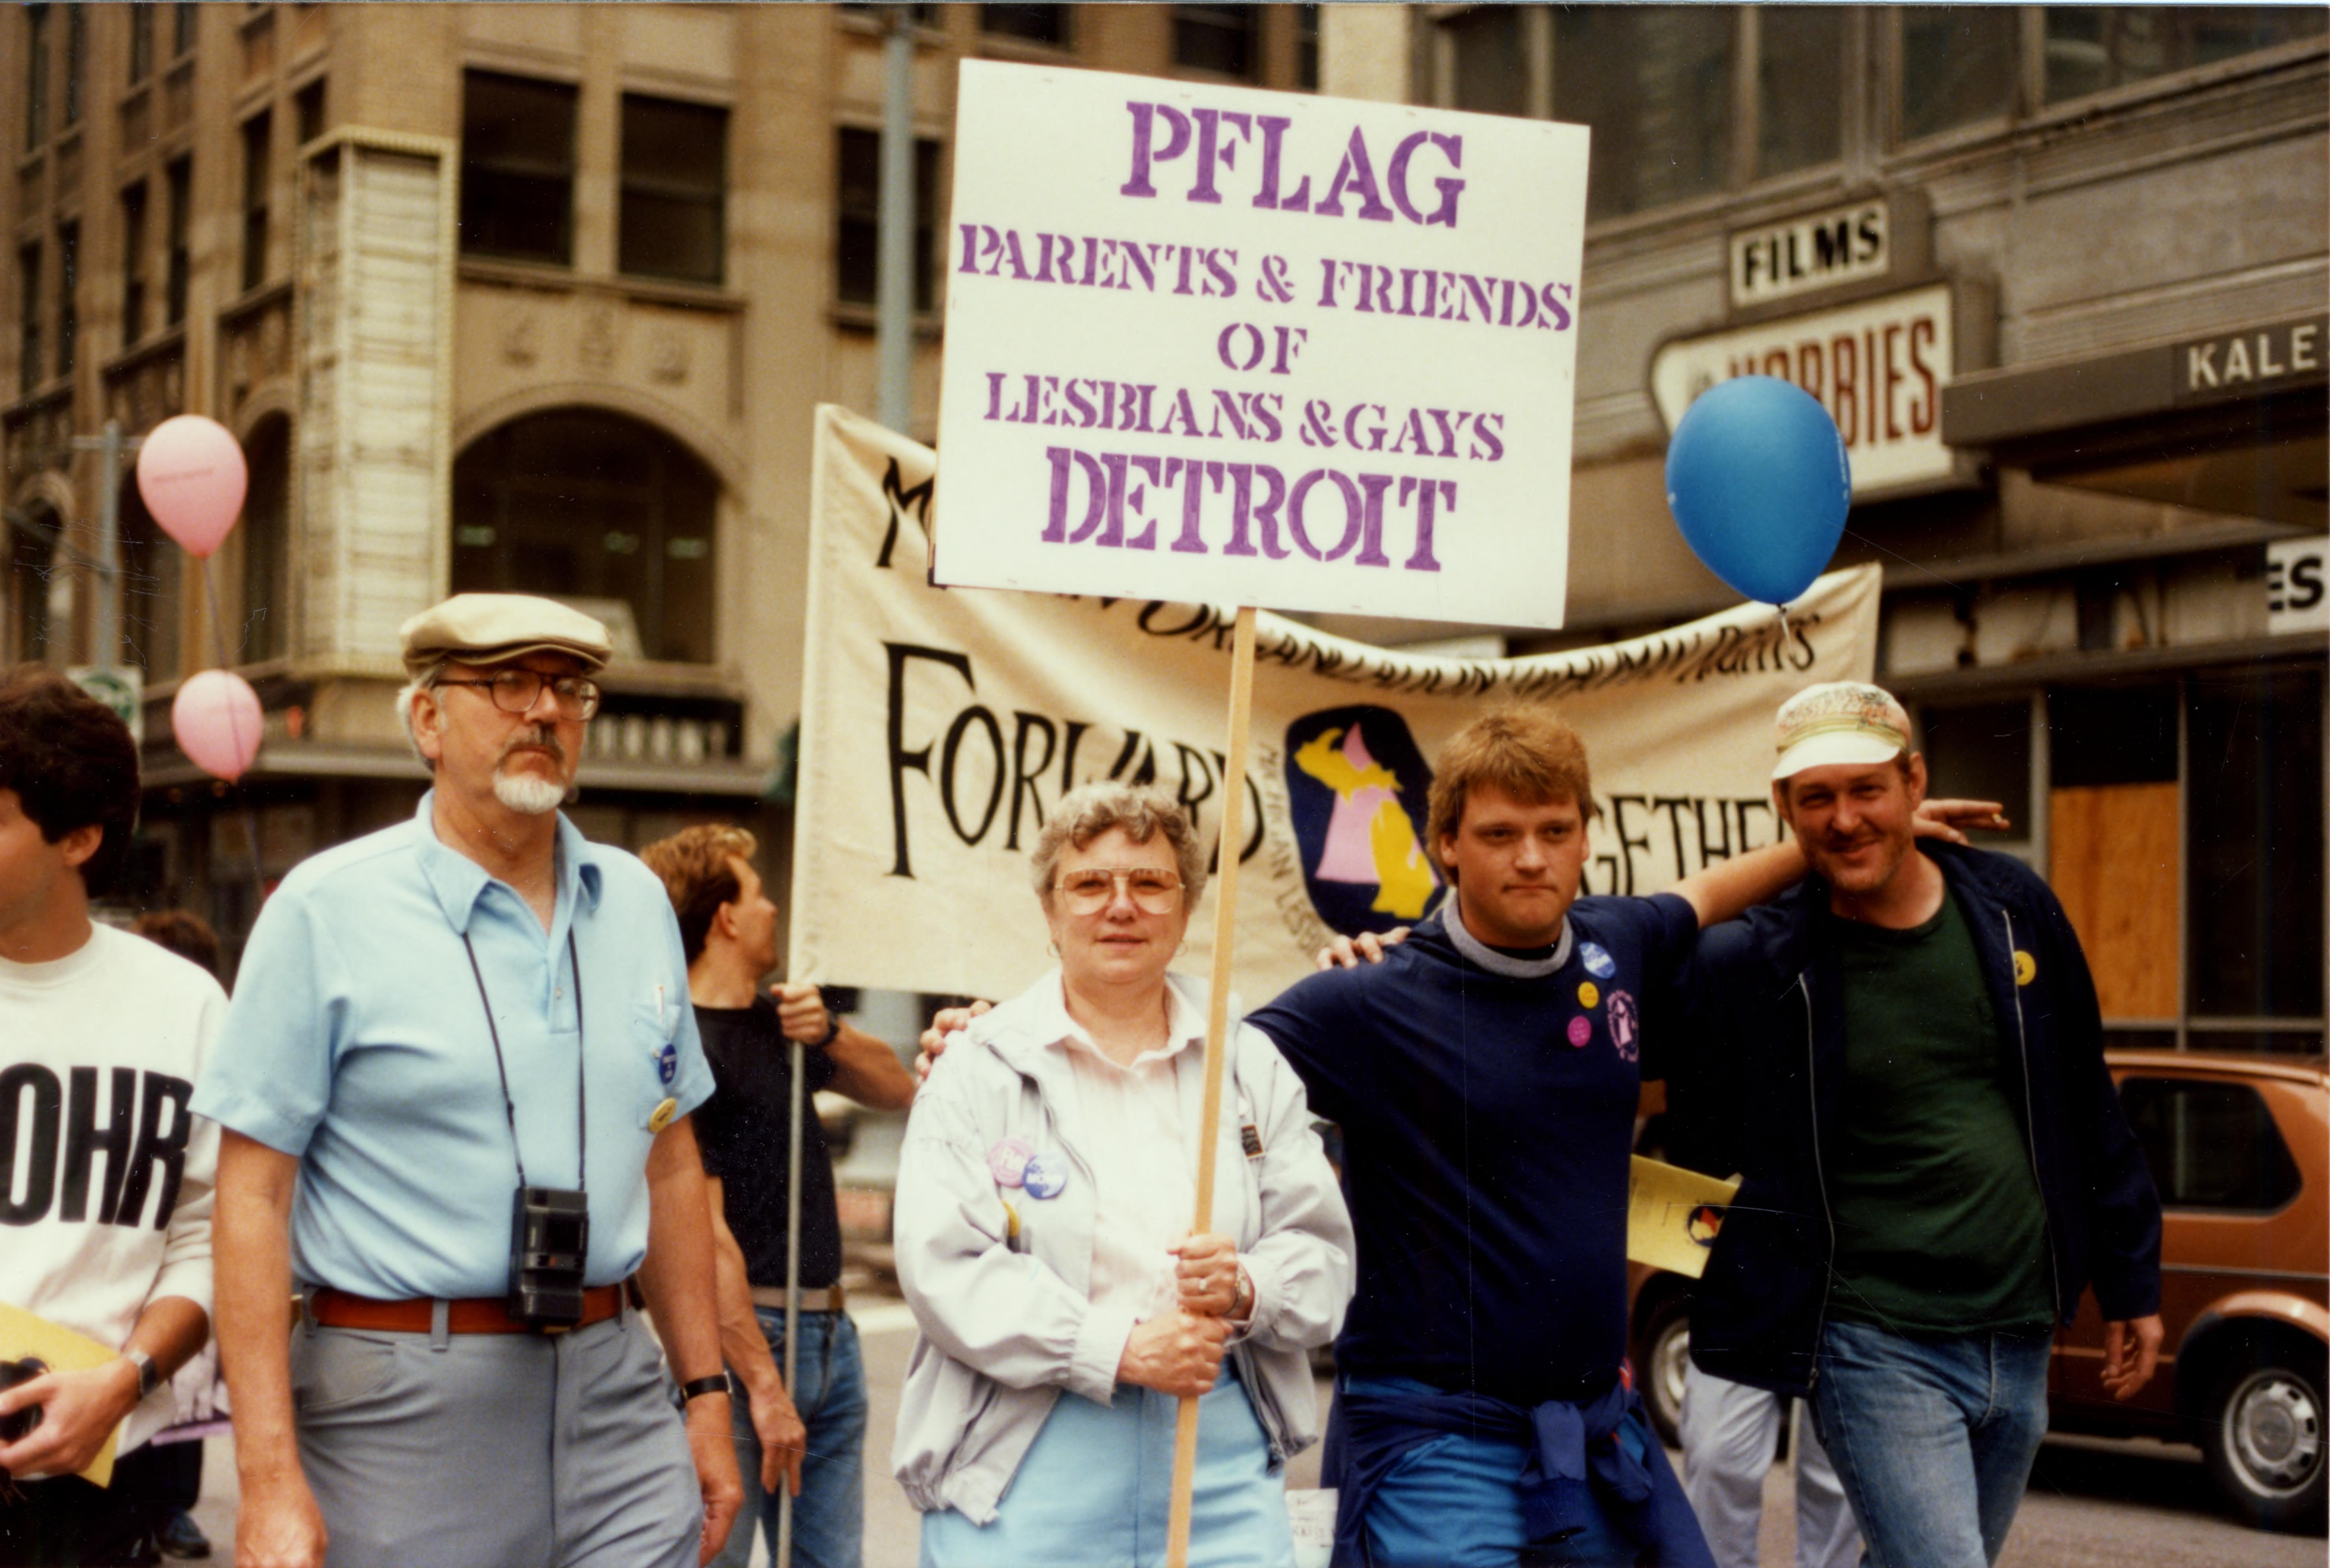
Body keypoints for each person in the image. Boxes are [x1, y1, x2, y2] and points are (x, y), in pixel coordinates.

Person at [191, 594, 743, 1568]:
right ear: (427, 720)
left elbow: (666, 1157)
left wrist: (704, 1394)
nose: (544, 711)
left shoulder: (637, 902)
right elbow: (251, 1194)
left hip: (617, 1392)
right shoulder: (325, 908)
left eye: (569, 689)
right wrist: (270, 1480)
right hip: (398, 1414)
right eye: (507, 684)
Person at [1671, 681, 2163, 1568]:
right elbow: (1636, 996)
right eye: (1815, 798)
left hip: (2016, 1333)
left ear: (1914, 783)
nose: (1844, 819)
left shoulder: (2011, 905)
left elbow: (2084, 1099)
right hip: (1871, 1340)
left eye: (1867, 790)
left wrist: (2130, 1282)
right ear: (1782, 810)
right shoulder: (1755, 958)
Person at [893, 782, 1354, 1568]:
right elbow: (945, 1270)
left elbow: (1323, 1261)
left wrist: (1247, 1286)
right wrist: (1118, 1349)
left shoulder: (1247, 1065)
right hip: (1024, 1482)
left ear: (1184, 908)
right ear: (1048, 910)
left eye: (1148, 883)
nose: (1121, 906)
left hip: (1220, 1484)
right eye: (1089, 884)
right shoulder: (977, 1068)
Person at [639, 824, 917, 1568]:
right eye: (757, 894)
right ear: (726, 916)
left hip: (831, 1332)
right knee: (717, 1553)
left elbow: (898, 1087)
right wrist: (761, 1382)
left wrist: (828, 1031)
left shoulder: (783, 1026)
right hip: (744, 1341)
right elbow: (703, 1235)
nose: (771, 910)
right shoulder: (681, 1046)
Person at [0, 668, 226, 1567]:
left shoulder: (186, 1006)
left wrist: (126, 1381)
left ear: (80, 838)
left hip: (96, 1481)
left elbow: (208, 1233)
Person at [1658, 1044, 1858, 1568]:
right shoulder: (1725, 963)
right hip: (1746, 1236)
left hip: (1851, 1234)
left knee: (1837, 1473)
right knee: (1717, 1452)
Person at [125, 910, 229, 1564]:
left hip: (183, 1249)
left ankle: (172, 1511)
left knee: (186, 1384)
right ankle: (148, 1511)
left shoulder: (204, 1026)